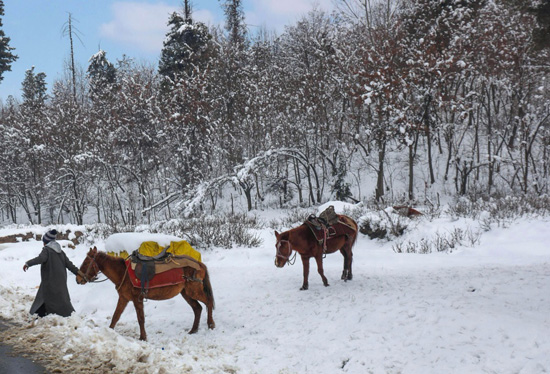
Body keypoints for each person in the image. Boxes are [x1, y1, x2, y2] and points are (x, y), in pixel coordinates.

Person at [23, 229, 82, 317]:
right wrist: (78, 272)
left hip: (50, 280)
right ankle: (66, 313)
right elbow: (69, 265)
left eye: (44, 241)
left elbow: (40, 259)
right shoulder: (61, 252)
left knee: (45, 296)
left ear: (46, 242)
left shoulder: (46, 250)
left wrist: (28, 263)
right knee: (61, 298)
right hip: (61, 281)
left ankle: (41, 313)